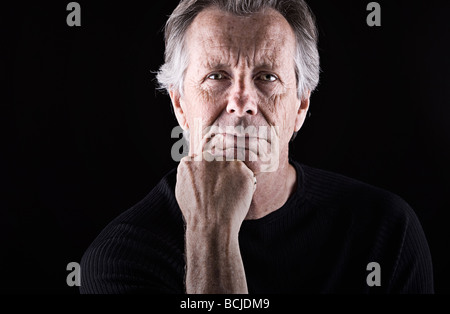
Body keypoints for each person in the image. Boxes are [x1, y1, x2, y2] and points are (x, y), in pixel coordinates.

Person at [80, 0, 434, 294]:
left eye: (267, 77)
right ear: (179, 105)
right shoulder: (121, 261)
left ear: (300, 107)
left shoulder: (385, 232)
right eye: (216, 76)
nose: (242, 101)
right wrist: (212, 232)